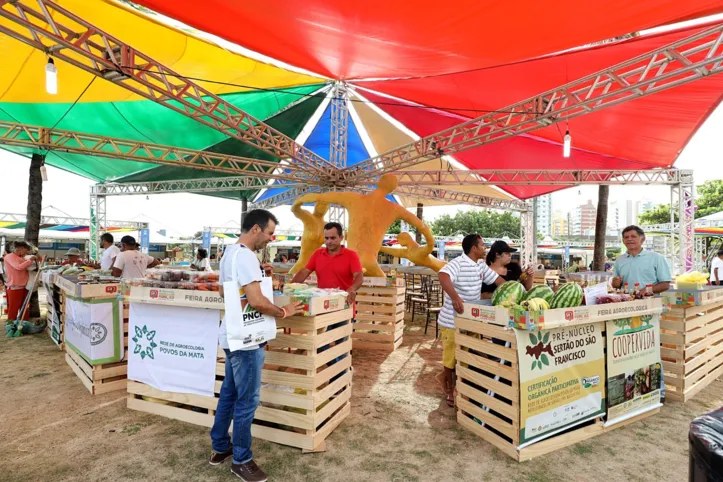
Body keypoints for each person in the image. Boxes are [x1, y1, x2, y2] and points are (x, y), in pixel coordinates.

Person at [210, 209, 302, 482]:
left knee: (229, 393)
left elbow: (223, 292)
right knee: (246, 401)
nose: (271, 239)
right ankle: (241, 459)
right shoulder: (247, 256)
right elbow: (257, 301)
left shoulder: (229, 252)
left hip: (231, 334)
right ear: (255, 230)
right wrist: (284, 312)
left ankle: (219, 447)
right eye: (270, 233)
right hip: (247, 341)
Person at [294, 174, 434, 277]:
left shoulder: (354, 198)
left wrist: (299, 201)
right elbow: (421, 226)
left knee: (346, 290)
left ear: (379, 182)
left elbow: (324, 196)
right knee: (386, 293)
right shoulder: (395, 209)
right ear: (392, 189)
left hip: (350, 258)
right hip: (370, 260)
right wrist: (430, 242)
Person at [437, 234, 505, 407]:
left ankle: (461, 388)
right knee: (451, 359)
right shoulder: (458, 263)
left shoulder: (480, 265)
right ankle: (449, 389)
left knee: (467, 356)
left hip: (471, 319)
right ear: (474, 248)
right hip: (451, 321)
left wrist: (512, 290)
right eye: (483, 245)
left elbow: (498, 281)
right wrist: (455, 298)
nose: (485, 248)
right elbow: (443, 276)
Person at [611, 225, 671, 402]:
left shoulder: (655, 258)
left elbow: (665, 283)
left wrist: (648, 289)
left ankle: (659, 391)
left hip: (649, 310)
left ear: (642, 239)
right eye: (626, 237)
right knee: (631, 350)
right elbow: (616, 285)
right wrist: (615, 282)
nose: (629, 239)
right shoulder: (620, 260)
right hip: (626, 310)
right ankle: (633, 392)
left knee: (650, 350)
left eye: (633, 236)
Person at [291, 222, 364, 305]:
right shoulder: (317, 253)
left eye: (333, 238)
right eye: (326, 238)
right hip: (323, 304)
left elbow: (359, 276)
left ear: (341, 238)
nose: (329, 241)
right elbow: (304, 272)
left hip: (343, 303)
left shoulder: (351, 255)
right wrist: (290, 287)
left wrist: (352, 288)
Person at [4, 241, 43, 322]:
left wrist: (36, 257)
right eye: (26, 250)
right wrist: (30, 260)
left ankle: (24, 324)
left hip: (24, 286)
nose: (27, 252)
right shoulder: (9, 257)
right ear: (21, 249)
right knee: (13, 308)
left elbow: (39, 260)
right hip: (14, 287)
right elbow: (18, 267)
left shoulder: (21, 257)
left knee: (25, 307)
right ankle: (11, 326)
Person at [289, 200, 329, 275]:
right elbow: (295, 209)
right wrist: (302, 199)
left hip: (316, 265)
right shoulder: (309, 217)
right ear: (316, 205)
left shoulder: (326, 225)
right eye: (322, 204)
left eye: (326, 206)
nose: (324, 207)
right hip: (302, 263)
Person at [379, 232, 447, 272]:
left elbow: (430, 246)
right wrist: (378, 247)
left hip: (445, 267)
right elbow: (393, 251)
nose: (398, 242)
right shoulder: (407, 252)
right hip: (440, 271)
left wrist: (427, 233)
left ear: (405, 239)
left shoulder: (419, 250)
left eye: (399, 240)